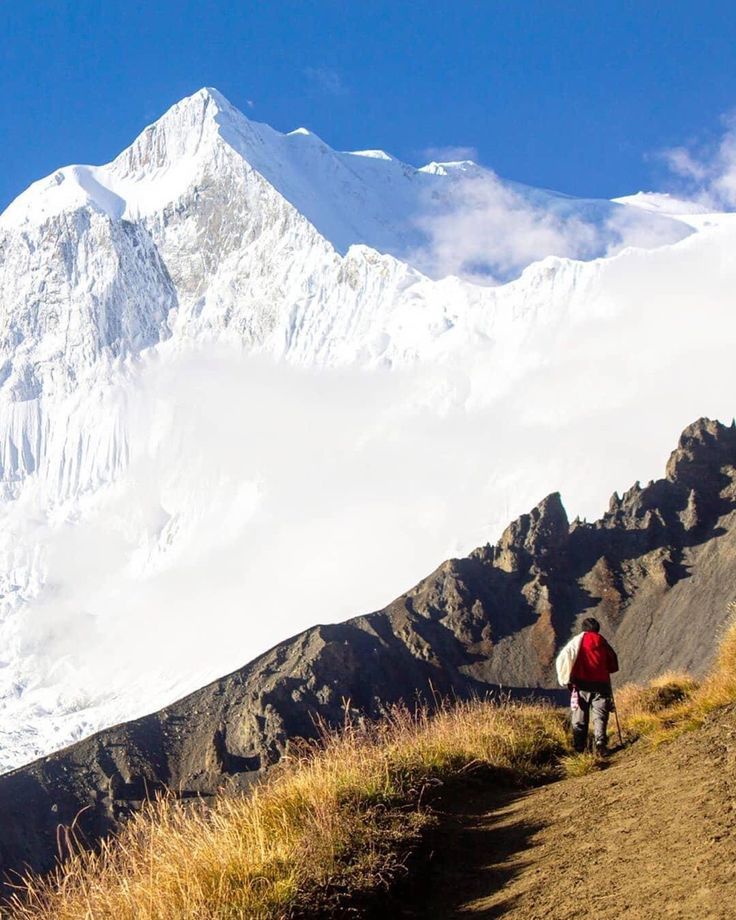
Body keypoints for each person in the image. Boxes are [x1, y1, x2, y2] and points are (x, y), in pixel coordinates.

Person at [555, 617, 619, 755]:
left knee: (580, 716)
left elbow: (563, 658)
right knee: (600, 715)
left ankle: (579, 748)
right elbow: (613, 663)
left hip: (581, 685)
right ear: (597, 629)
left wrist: (565, 678)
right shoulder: (603, 642)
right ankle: (600, 744)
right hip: (602, 685)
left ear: (583, 629)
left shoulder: (576, 642)